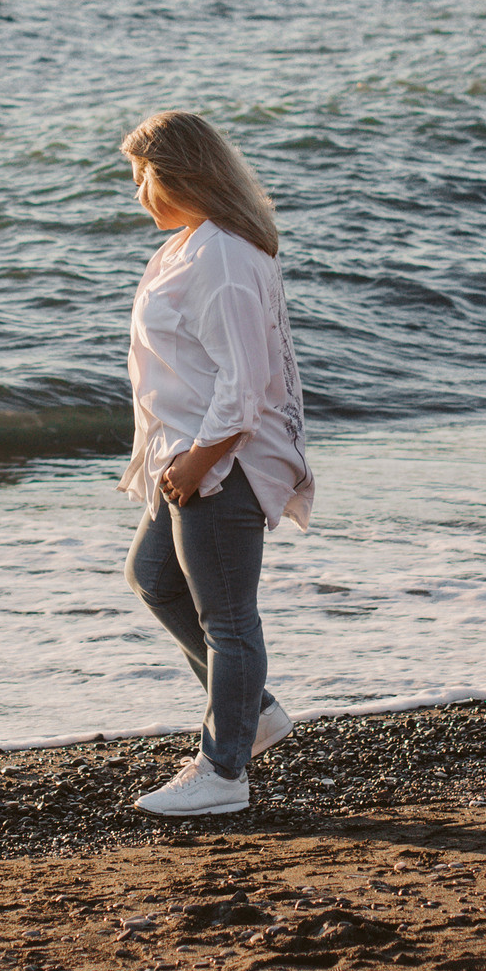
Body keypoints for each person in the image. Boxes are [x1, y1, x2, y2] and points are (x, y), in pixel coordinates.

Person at [116, 110, 313, 817]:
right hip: (185, 457)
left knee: (230, 620)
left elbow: (247, 379)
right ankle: (250, 713)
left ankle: (224, 771)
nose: (139, 191)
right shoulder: (194, 245)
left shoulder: (225, 255)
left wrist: (199, 463)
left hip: (218, 464)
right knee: (153, 577)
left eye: (144, 175)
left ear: (180, 173)